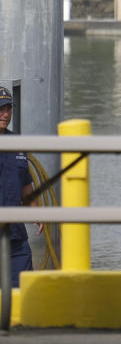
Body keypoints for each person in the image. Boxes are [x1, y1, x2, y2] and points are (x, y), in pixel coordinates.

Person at [0, 86, 33, 287]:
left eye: (8, 108)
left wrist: (38, 213)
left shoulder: (18, 143)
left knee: (25, 291)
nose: (5, 114)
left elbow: (26, 183)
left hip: (16, 237)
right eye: (0, 109)